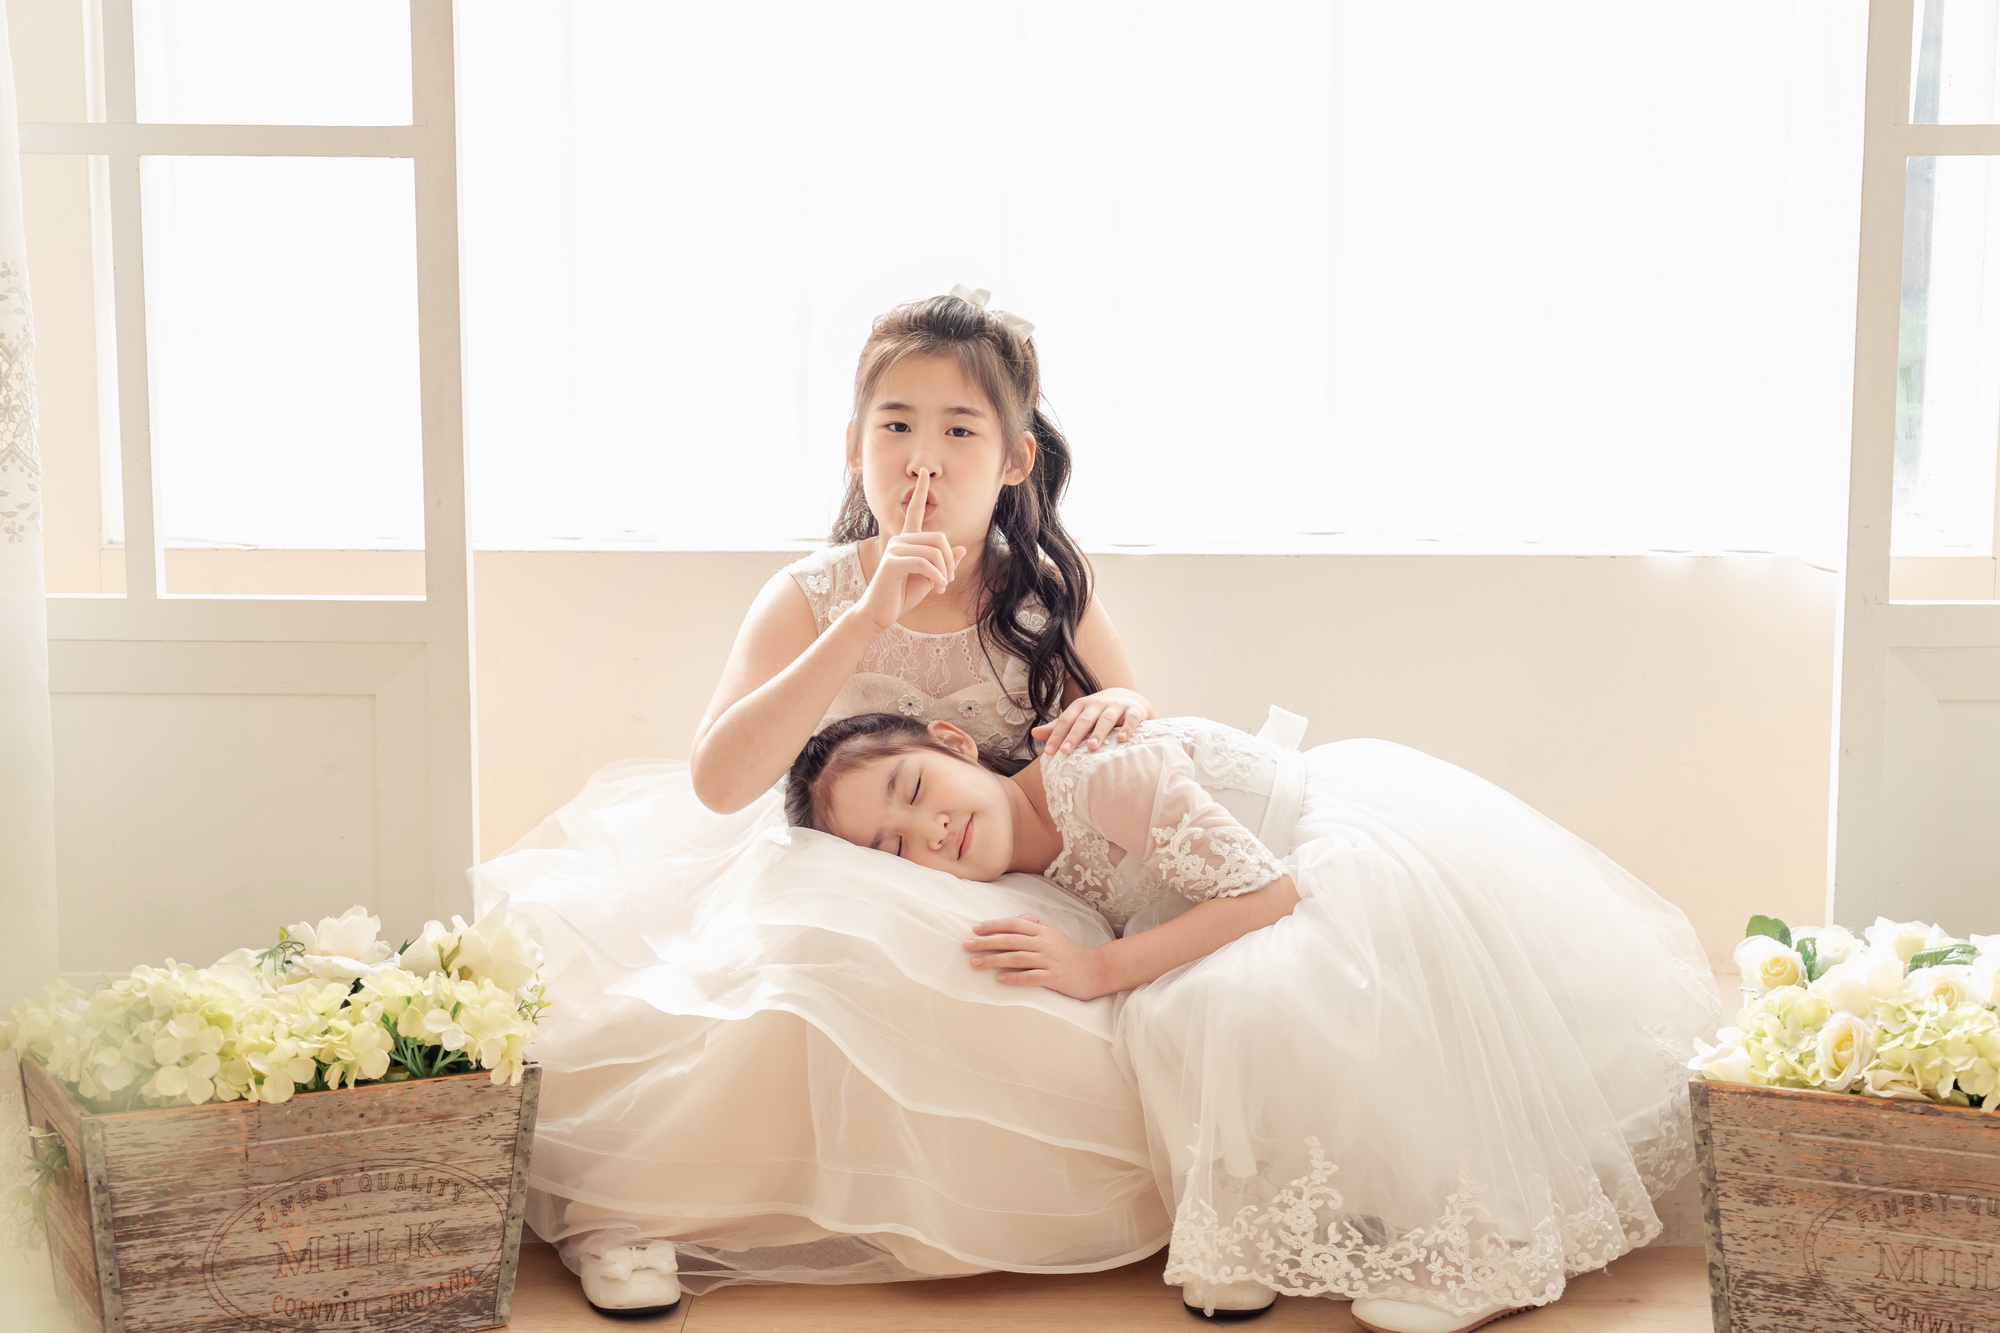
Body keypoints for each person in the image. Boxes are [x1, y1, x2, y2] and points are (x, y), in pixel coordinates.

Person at [472, 287, 1168, 1315]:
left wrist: (1125, 706)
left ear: (1015, 459)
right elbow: (720, 782)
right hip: (822, 857)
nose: (922, 460)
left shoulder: (1045, 594)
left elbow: (1130, 738)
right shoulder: (811, 592)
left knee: (1018, 992)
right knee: (801, 949)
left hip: (971, 863)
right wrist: (864, 618)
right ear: (853, 445)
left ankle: (935, 1204)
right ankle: (635, 1208)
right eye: (895, 426)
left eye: (959, 430)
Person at [789, 710, 1721, 1332]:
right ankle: (1250, 1239)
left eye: (915, 790)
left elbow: (1266, 894)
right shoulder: (1025, 849)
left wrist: (1097, 967)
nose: (928, 832)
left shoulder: (1097, 773)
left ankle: (1489, 1244)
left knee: (1215, 1002)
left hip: (1319, 862)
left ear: (954, 744)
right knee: (1169, 1010)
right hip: (1254, 885)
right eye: (894, 847)